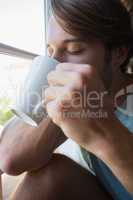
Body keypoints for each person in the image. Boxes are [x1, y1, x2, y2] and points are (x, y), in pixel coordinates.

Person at [0, 0, 133, 199]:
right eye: (50, 51)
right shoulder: (78, 100)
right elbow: (11, 159)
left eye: (74, 49)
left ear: (118, 54)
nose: (55, 63)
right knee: (51, 175)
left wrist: (103, 133)